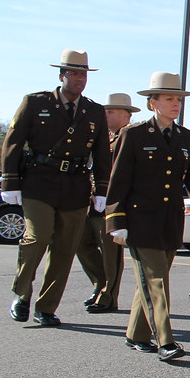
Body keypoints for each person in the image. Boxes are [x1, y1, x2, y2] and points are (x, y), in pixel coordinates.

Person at [106, 72, 190, 361]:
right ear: (153, 102)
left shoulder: (186, 137)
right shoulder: (134, 134)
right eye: (169, 99)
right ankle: (165, 340)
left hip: (170, 221)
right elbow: (119, 182)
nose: (176, 104)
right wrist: (116, 221)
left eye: (178, 99)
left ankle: (136, 333)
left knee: (153, 278)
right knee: (156, 281)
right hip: (140, 221)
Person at [5, 49, 110, 326]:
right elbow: (13, 142)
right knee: (36, 238)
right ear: (62, 75)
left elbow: (102, 155)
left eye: (84, 74)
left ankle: (46, 307)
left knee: (65, 248)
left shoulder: (94, 111)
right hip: (39, 182)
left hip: (75, 186)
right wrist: (10, 181)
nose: (80, 79)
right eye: (74, 73)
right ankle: (22, 294)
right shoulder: (35, 102)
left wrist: (101, 190)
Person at [79, 92, 140, 313]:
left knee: (110, 252)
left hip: (112, 203)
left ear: (126, 115)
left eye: (111, 111)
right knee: (81, 242)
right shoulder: (103, 137)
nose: (106, 115)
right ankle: (99, 284)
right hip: (92, 199)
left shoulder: (128, 136)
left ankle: (108, 297)